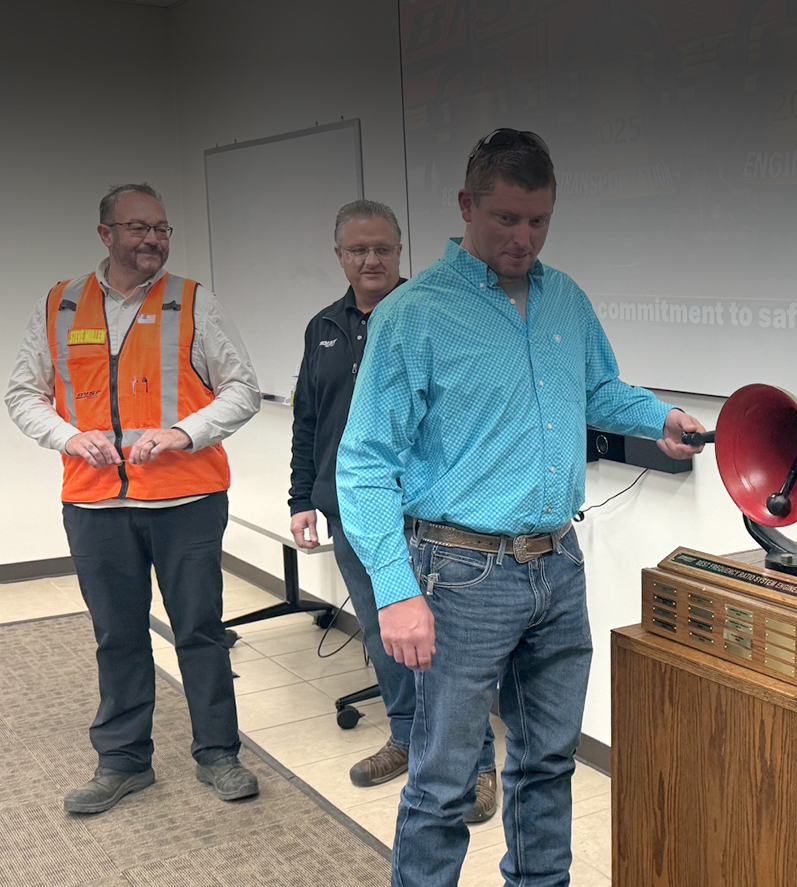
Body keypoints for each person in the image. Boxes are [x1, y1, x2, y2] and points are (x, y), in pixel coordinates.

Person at [336, 129, 704, 886]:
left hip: (556, 566)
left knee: (547, 764)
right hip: (458, 574)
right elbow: (365, 463)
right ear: (467, 205)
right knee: (444, 782)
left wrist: (657, 417)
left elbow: (597, 388)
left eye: (539, 220)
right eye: (505, 218)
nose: (523, 238)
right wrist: (395, 589)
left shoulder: (565, 296)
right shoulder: (415, 313)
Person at [5, 183, 263, 814]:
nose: (153, 239)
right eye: (139, 227)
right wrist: (68, 436)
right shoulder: (61, 304)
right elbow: (23, 393)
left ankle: (219, 753)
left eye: (162, 229)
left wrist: (184, 432)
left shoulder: (193, 301)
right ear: (106, 234)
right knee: (117, 634)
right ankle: (122, 761)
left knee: (200, 631)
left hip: (186, 499)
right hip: (95, 502)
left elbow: (242, 388)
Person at [288, 199, 498, 818]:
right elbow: (308, 421)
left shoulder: (431, 314)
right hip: (353, 512)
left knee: (447, 649)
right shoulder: (323, 328)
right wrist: (302, 498)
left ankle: (477, 766)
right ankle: (406, 739)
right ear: (339, 256)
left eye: (383, 248)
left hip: (427, 515)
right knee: (386, 640)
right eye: (359, 250)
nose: (372, 260)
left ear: (400, 251)